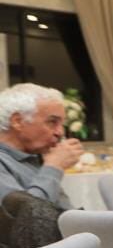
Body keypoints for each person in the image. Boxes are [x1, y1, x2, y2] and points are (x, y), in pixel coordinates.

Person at [0, 83, 81, 212]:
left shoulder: (34, 158)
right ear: (17, 121)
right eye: (52, 122)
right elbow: (26, 217)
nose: (60, 132)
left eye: (62, 124)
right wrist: (54, 167)